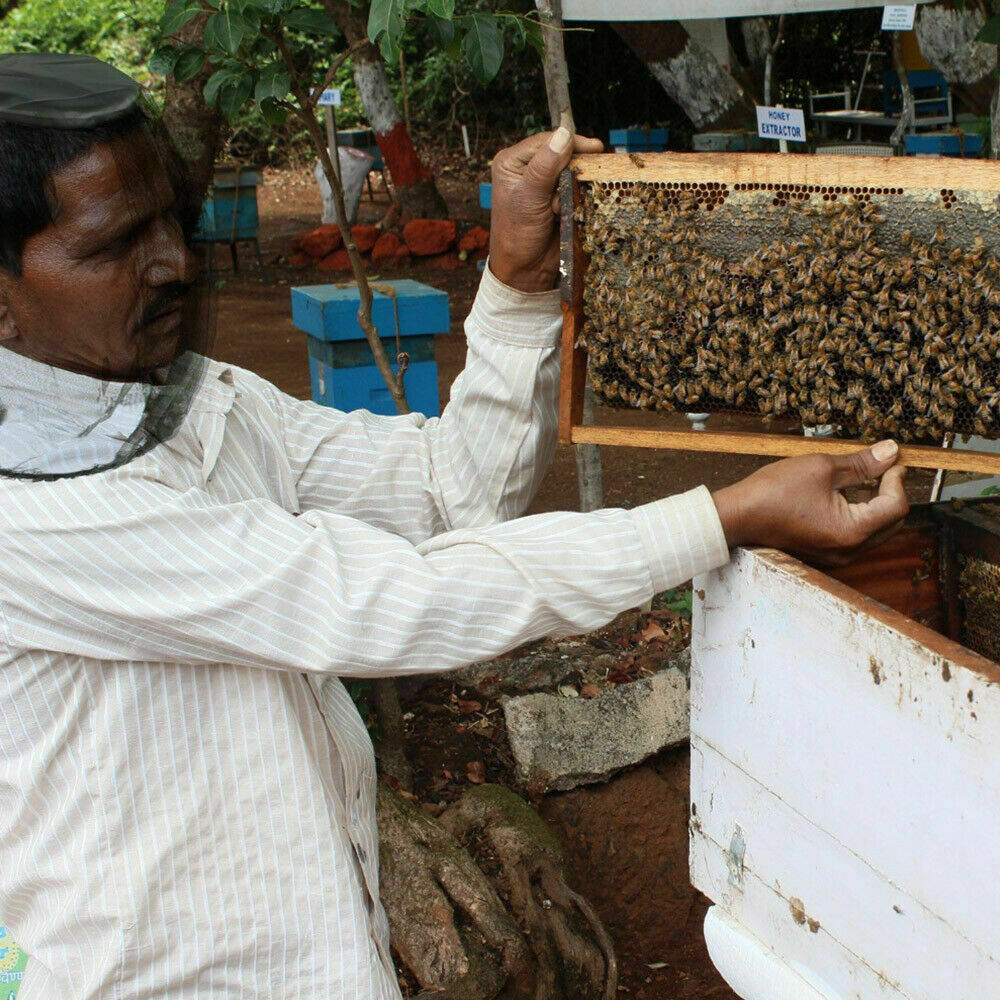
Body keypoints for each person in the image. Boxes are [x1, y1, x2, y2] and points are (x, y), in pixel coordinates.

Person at [0, 54, 908, 1000]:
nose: (175, 264)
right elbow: (384, 600)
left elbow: (446, 492)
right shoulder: (29, 516)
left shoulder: (204, 401)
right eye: (113, 246)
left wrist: (516, 278)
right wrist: (721, 516)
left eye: (170, 223)